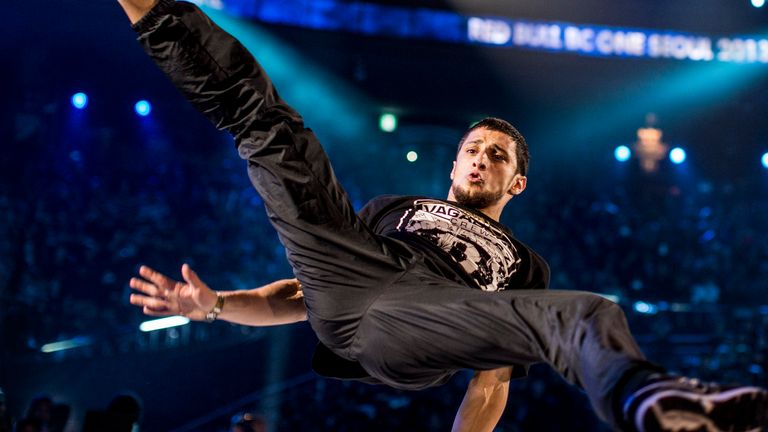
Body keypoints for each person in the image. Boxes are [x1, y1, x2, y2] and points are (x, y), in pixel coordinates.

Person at [119, 1, 768, 431]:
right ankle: (148, 7)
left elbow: (489, 385)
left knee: (589, 311)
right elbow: (299, 294)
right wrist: (214, 305)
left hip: (424, 319)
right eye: (471, 151)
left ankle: (645, 398)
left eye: (496, 154)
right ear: (454, 166)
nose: (479, 160)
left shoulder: (525, 263)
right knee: (274, 129)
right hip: (354, 276)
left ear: (517, 180)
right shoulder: (395, 209)